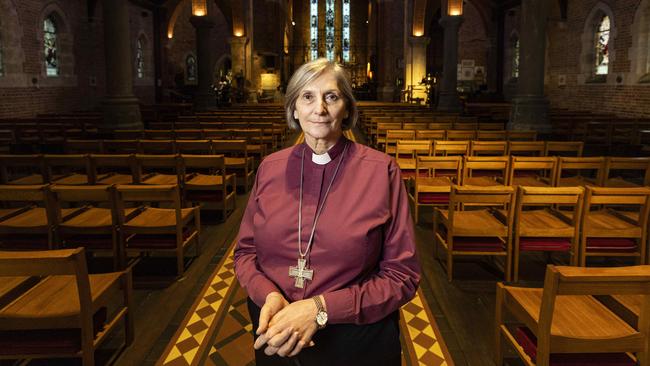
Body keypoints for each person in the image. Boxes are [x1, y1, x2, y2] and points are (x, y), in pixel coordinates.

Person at [234, 58, 420, 366]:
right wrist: (269, 295)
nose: (319, 108)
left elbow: (403, 276)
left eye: (331, 97)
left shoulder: (381, 171)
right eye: (307, 97)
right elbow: (245, 253)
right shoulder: (270, 168)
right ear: (293, 108)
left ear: (346, 108)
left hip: (356, 344)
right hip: (276, 335)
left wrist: (320, 309)